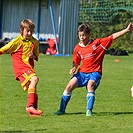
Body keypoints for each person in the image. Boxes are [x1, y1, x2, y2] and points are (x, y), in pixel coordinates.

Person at [55, 23, 133, 116]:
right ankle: (61, 110)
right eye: (80, 35)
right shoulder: (77, 48)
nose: (82, 37)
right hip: (82, 73)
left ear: (89, 34)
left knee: (90, 85)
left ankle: (89, 111)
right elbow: (76, 61)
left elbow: (112, 37)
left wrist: (127, 30)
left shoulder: (97, 43)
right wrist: (74, 68)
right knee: (69, 86)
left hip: (95, 72)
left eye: (83, 35)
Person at [0, 19, 43, 117]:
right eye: (27, 31)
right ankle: (30, 106)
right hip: (20, 67)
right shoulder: (16, 42)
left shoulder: (35, 42)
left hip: (29, 67)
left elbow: (36, 56)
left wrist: (33, 56)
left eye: (31, 31)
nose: (29, 33)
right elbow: (3, 49)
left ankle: (33, 111)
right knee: (35, 79)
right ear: (21, 30)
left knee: (32, 86)